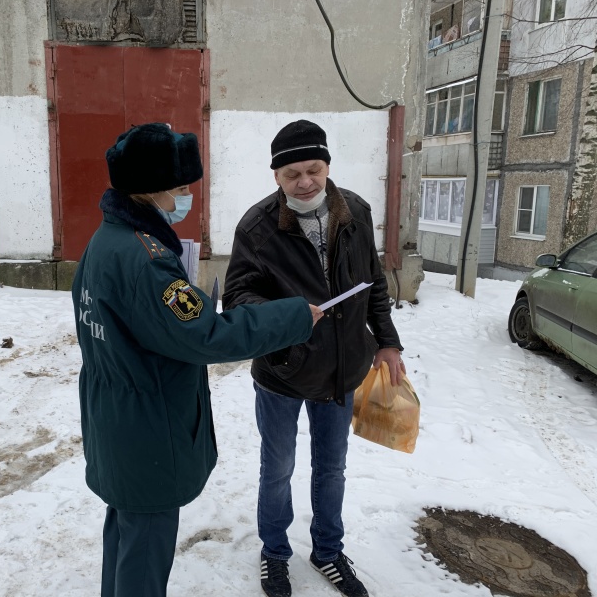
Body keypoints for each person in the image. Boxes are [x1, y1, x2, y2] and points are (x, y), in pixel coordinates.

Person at [72, 122, 324, 597]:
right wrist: (293, 317)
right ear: (153, 189)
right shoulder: (146, 259)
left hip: (117, 421)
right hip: (147, 430)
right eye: (180, 188)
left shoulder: (104, 242)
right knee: (144, 552)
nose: (184, 197)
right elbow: (205, 337)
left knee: (125, 537)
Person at [222, 120, 405, 597]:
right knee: (278, 468)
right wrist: (287, 316)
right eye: (292, 174)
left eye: (314, 169)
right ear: (276, 177)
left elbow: (375, 283)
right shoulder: (257, 227)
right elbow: (237, 298)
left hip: (343, 369)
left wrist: (387, 341)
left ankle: (327, 551)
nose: (305, 182)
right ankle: (275, 553)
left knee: (331, 468)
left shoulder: (357, 213)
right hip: (282, 371)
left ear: (327, 167)